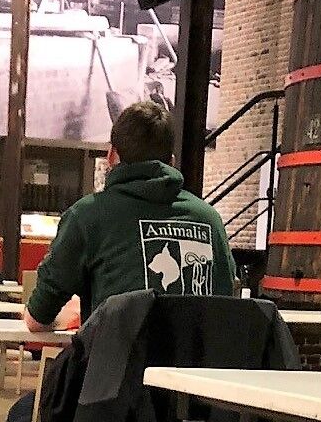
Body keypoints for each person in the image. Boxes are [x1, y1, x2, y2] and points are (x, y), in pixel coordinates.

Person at [22, 100, 234, 337]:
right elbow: (226, 307)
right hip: (196, 360)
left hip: (117, 361)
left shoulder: (87, 215)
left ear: (111, 155)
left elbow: (37, 318)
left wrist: (74, 320)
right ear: (172, 162)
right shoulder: (210, 220)